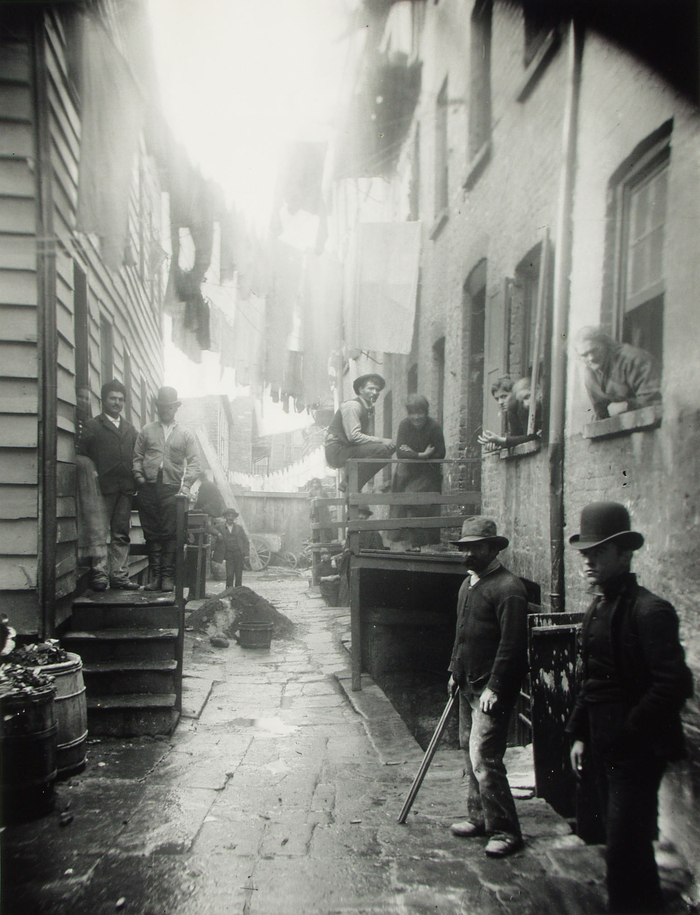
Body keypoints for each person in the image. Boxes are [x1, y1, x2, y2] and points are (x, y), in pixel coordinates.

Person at [566, 502, 693, 915]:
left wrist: (629, 732)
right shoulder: (597, 608)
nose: (588, 562)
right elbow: (593, 679)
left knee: (625, 848)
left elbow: (674, 685)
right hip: (606, 746)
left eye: (598, 553)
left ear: (625, 554)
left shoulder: (651, 611)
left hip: (638, 752)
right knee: (622, 849)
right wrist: (582, 734)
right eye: (585, 554)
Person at [447, 518, 528, 858]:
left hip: (491, 689)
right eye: (464, 548)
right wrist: (454, 671)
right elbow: (461, 634)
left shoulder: (509, 588)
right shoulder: (469, 586)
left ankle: (505, 831)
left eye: (475, 548)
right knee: (468, 749)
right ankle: (478, 817)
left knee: (485, 757)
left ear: (493, 549)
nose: (468, 554)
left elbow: (512, 645)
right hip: (468, 681)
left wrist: (496, 686)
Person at [133, 386, 200, 592]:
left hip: (171, 489)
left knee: (170, 533)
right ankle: (156, 578)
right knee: (151, 532)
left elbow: (195, 462)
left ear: (175, 408)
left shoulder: (185, 434)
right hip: (149, 488)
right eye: (162, 406)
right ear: (158, 408)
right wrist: (139, 478)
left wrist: (186, 485)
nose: (165, 410)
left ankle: (168, 578)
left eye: (169, 407)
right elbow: (137, 457)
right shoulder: (147, 431)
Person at [77, 380, 139, 591]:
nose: (117, 403)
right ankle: (100, 575)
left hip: (125, 489)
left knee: (121, 532)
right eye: (113, 398)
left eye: (121, 399)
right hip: (101, 489)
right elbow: (82, 456)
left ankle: (119, 575)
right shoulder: (93, 426)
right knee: (99, 532)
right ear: (103, 400)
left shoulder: (130, 430)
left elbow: (136, 456)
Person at [390, 394, 446, 550]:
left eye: (419, 412)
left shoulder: (434, 427)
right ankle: (406, 545)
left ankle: (422, 545)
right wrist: (421, 455)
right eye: (412, 413)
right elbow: (400, 452)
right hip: (407, 473)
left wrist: (413, 454)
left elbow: (440, 452)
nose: (416, 417)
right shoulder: (404, 425)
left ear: (425, 412)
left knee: (420, 506)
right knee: (402, 506)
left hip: (427, 474)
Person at [324, 373, 396, 491]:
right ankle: (350, 484)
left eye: (377, 390)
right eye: (371, 388)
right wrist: (382, 440)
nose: (375, 392)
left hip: (346, 449)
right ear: (361, 390)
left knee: (388, 449)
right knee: (383, 449)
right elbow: (354, 437)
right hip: (336, 451)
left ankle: (349, 484)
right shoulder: (353, 405)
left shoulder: (367, 408)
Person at [574, 326, 661, 420]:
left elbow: (654, 401)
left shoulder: (634, 360)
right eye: (584, 355)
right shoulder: (590, 374)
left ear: (606, 344)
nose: (591, 358)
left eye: (595, 350)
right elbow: (601, 413)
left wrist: (627, 406)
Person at [478, 378, 541, 450]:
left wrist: (502, 440)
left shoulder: (525, 407)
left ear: (515, 393)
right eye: (497, 399)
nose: (500, 402)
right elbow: (517, 439)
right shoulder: (511, 413)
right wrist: (498, 444)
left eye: (504, 396)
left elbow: (533, 437)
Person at [212, 508, 249, 590]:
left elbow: (246, 541)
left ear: (234, 518)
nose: (230, 518)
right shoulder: (220, 528)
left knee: (239, 575)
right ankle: (229, 592)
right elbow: (211, 528)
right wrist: (217, 534)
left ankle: (238, 593)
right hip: (228, 554)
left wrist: (246, 554)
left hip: (238, 553)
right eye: (228, 516)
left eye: (232, 516)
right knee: (229, 574)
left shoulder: (239, 528)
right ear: (225, 517)